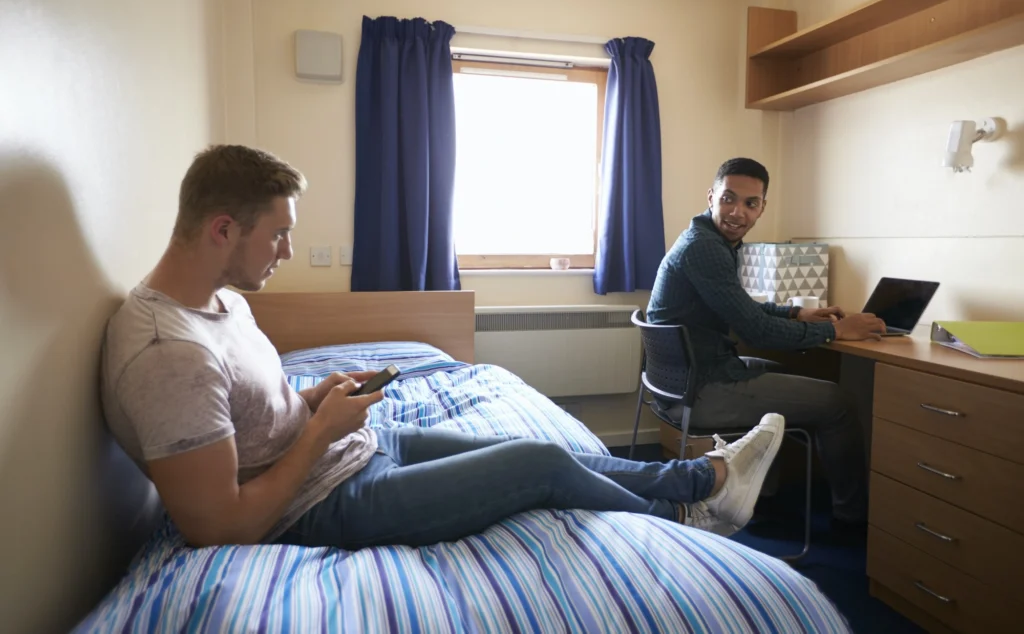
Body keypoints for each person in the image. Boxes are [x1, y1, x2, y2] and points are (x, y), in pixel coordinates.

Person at [100, 144, 786, 551]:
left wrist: (317, 399)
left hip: (353, 452)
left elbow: (251, 418)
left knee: (561, 453)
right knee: (540, 464)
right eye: (278, 234)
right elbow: (220, 526)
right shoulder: (168, 356)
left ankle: (705, 480)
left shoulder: (222, 302)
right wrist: (318, 436)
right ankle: (687, 514)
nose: (288, 251)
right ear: (223, 229)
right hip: (325, 500)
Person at [646, 157, 887, 525]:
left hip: (681, 382)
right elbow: (756, 331)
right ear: (711, 197)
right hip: (700, 389)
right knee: (838, 402)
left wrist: (795, 313)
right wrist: (836, 330)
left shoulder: (704, 239)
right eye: (728, 199)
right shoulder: (705, 249)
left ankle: (763, 494)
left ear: (762, 208)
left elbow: (741, 308)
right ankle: (851, 519)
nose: (737, 212)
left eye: (750, 203)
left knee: (782, 373)